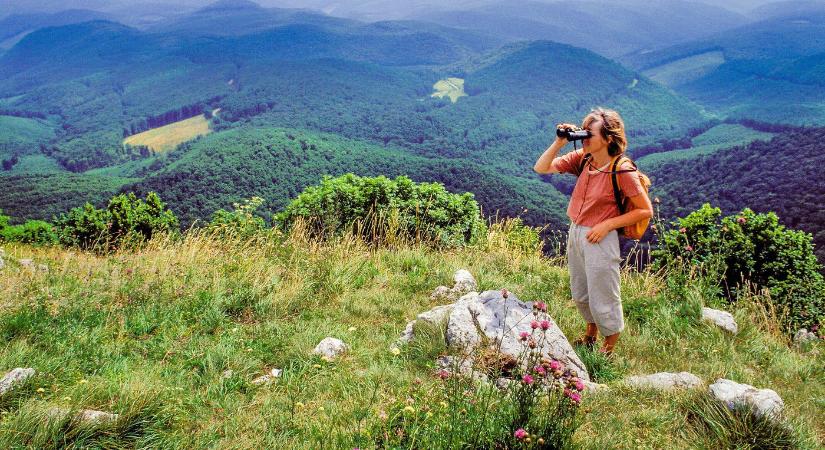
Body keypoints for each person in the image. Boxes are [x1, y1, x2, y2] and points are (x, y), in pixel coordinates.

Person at [532, 107, 653, 355]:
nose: (585, 139)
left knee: (604, 294)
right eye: (583, 133)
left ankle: (607, 351)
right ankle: (590, 334)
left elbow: (645, 210)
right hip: (577, 230)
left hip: (600, 236)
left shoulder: (622, 169)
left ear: (608, 139)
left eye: (590, 134)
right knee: (580, 290)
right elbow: (541, 168)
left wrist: (607, 224)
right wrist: (559, 142)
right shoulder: (584, 158)